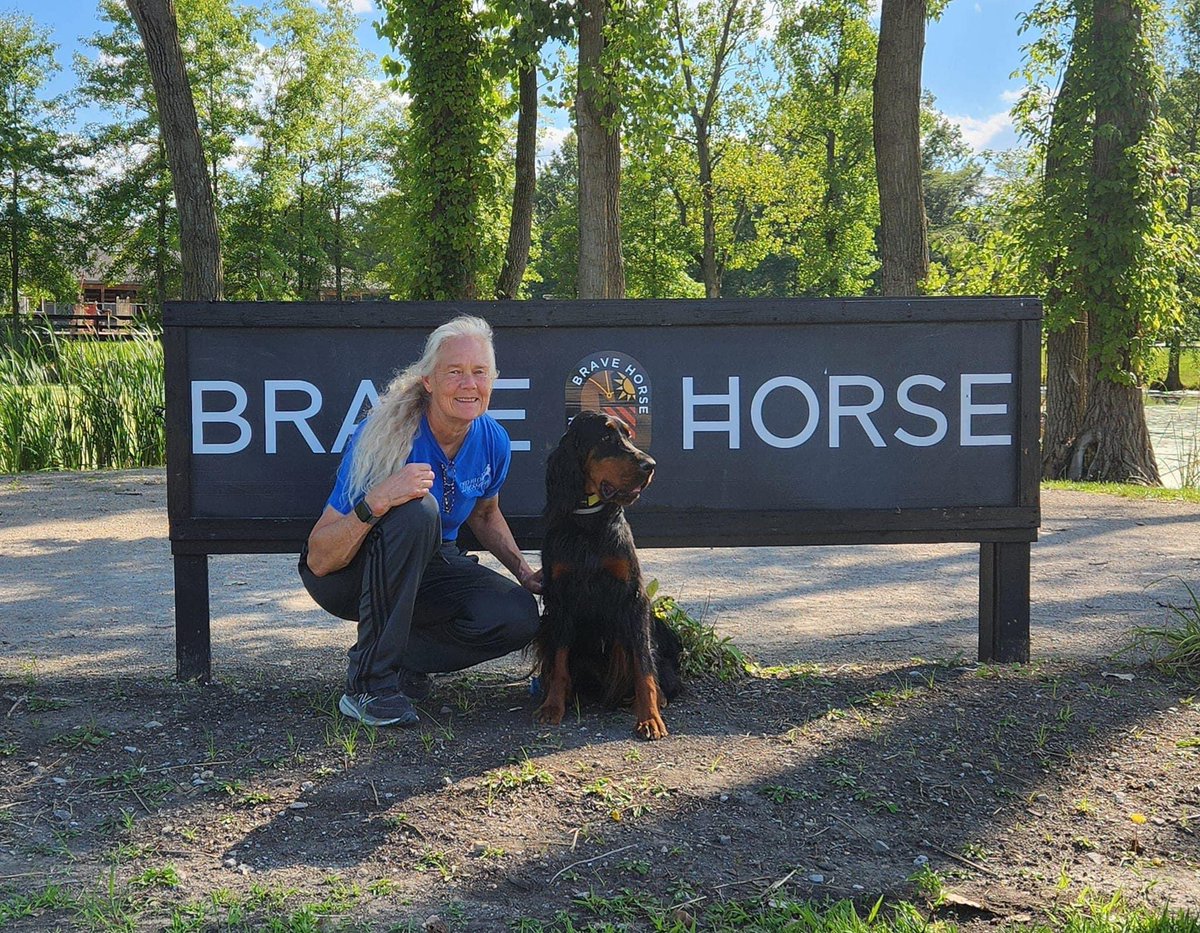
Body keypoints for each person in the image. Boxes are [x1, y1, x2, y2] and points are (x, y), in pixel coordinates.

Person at [299, 314, 542, 727]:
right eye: (454, 372)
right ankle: (368, 687)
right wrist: (377, 501)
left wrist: (523, 571)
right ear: (428, 380)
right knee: (417, 510)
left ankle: (398, 658)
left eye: (479, 372)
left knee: (517, 616)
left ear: (493, 380)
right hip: (351, 572)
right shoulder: (384, 437)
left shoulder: (493, 439)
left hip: (431, 563)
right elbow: (319, 559)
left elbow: (485, 513)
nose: (469, 384)